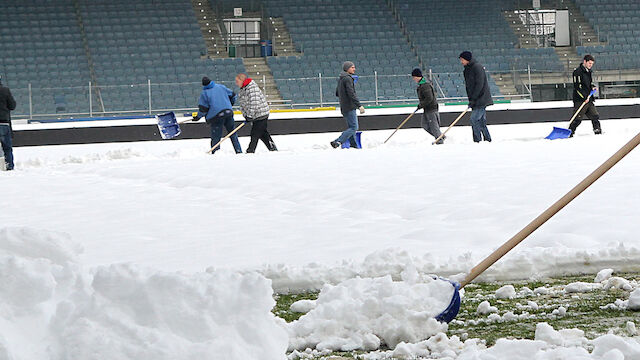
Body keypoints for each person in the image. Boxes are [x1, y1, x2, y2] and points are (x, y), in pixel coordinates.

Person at [193, 76, 242, 154]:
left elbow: (203, 109)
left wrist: (198, 117)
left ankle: (215, 153)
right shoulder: (221, 87)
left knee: (216, 136)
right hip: (228, 113)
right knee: (233, 133)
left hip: (216, 117)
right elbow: (233, 95)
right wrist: (229, 104)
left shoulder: (204, 93)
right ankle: (238, 150)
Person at [235, 73, 277, 153]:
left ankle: (251, 150)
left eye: (237, 81)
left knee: (255, 133)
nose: (236, 83)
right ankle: (272, 147)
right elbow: (243, 104)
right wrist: (245, 115)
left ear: (242, 80)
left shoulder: (252, 88)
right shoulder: (243, 89)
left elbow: (254, 103)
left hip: (261, 114)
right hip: (255, 115)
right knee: (262, 133)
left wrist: (250, 115)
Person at [460, 51, 492, 143]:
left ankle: (477, 141)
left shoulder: (477, 67)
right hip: (475, 99)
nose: (461, 62)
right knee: (481, 121)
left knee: (474, 119)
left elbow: (479, 84)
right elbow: (469, 86)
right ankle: (487, 139)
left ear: (467, 59)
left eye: (462, 60)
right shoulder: (467, 70)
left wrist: (474, 98)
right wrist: (471, 99)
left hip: (481, 99)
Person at [331, 61, 365, 149]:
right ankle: (338, 141)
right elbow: (351, 94)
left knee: (351, 127)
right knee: (354, 127)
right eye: (352, 67)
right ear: (347, 68)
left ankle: (354, 146)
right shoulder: (348, 79)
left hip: (344, 107)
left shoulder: (341, 78)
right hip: (350, 107)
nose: (354, 69)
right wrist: (359, 105)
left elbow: (337, 93)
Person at [569, 54, 601, 137]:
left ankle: (597, 131)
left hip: (589, 99)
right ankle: (570, 132)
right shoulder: (577, 72)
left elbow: (589, 84)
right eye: (589, 63)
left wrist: (593, 87)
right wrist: (583, 97)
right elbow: (577, 87)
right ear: (584, 62)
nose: (591, 65)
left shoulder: (589, 72)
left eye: (592, 64)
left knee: (595, 115)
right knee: (577, 119)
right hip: (580, 100)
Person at [412, 68, 444, 144]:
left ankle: (439, 139)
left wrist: (421, 105)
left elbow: (429, 98)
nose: (413, 79)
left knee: (433, 125)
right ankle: (440, 136)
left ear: (417, 76)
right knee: (424, 125)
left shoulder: (425, 86)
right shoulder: (421, 85)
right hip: (427, 109)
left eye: (413, 77)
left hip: (431, 108)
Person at [0, 76, 16, 171]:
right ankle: (9, 166)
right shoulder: (5, 91)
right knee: (7, 148)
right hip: (4, 123)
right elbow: (12, 105)